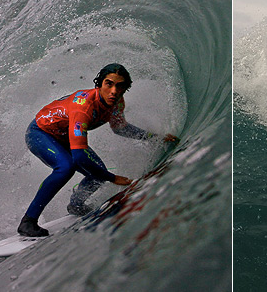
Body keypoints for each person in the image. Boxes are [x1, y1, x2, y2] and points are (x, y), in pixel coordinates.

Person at [18, 63, 179, 237]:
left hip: (64, 136)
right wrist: (113, 178)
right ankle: (28, 221)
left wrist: (154, 137)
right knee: (66, 167)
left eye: (120, 86)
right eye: (109, 84)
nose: (114, 91)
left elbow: (120, 128)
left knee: (97, 172)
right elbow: (79, 157)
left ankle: (76, 204)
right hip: (40, 132)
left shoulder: (116, 103)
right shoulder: (84, 107)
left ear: (125, 88)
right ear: (99, 84)